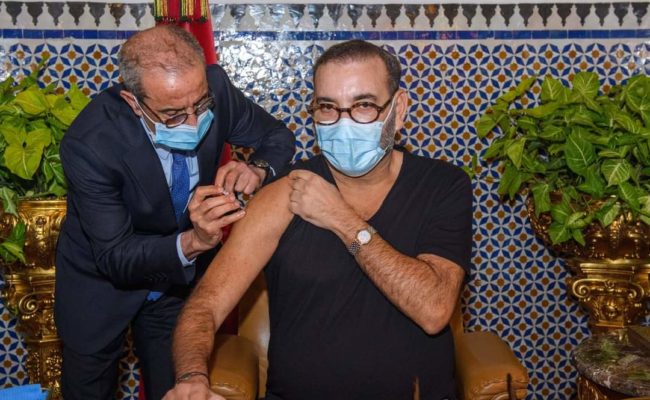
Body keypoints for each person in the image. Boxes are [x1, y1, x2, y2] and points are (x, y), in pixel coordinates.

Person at [164, 40, 472, 400]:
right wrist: (192, 377)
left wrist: (341, 218)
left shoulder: (442, 186)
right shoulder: (284, 194)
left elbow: (434, 309)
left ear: (398, 108)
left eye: (364, 105)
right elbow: (204, 306)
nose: (343, 123)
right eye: (327, 107)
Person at [54, 25, 294, 400]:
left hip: (176, 286)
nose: (195, 122)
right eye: (173, 114)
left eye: (200, 105)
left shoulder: (216, 88)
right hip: (101, 287)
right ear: (134, 102)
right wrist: (195, 240)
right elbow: (116, 256)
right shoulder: (91, 143)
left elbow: (277, 137)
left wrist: (257, 168)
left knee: (177, 388)